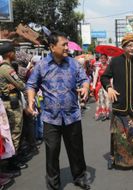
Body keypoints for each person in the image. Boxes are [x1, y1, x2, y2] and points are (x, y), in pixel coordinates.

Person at [26, 31, 90, 190]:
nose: (67, 47)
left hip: (72, 116)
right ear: (52, 47)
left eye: (67, 44)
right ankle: (53, 184)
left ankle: (80, 177)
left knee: (76, 150)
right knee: (52, 152)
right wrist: (30, 101)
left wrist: (85, 88)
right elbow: (31, 85)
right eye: (64, 45)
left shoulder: (74, 63)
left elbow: (84, 79)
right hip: (50, 118)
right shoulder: (41, 65)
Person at [101, 33, 133, 172]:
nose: (132, 48)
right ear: (123, 47)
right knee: (116, 135)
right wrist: (109, 88)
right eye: (129, 45)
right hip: (119, 107)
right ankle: (113, 158)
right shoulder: (115, 62)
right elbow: (104, 77)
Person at [0, 42, 27, 171]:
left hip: (5, 103)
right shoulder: (7, 69)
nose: (15, 54)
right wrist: (16, 85)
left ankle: (9, 160)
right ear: (10, 53)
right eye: (14, 52)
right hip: (12, 104)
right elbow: (21, 85)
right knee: (15, 132)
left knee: (8, 132)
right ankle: (12, 162)